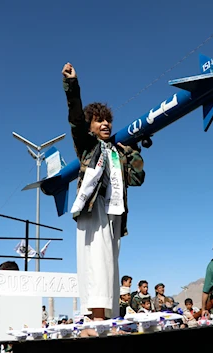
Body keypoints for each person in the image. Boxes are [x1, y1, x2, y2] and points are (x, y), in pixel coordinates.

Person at [62, 62, 146, 320]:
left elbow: (137, 178)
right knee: (96, 260)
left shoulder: (119, 151)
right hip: (93, 207)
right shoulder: (87, 146)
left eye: (108, 119)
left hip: (115, 211)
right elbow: (75, 119)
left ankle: (105, 315)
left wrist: (133, 151)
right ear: (91, 126)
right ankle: (95, 315)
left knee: (110, 264)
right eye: (99, 121)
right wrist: (71, 86)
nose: (106, 124)